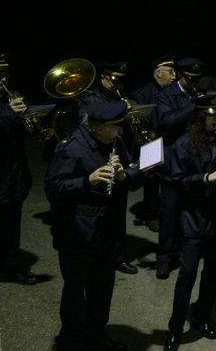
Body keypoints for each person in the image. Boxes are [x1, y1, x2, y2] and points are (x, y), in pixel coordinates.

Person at [45, 101, 145, 351]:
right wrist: (87, 181)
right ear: (99, 128)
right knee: (76, 293)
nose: (120, 131)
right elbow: (54, 189)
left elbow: (134, 171)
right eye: (115, 128)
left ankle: (96, 334)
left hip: (107, 230)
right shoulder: (71, 148)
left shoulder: (114, 142)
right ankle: (72, 341)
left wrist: (124, 176)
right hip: (77, 232)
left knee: (103, 290)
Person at [163, 94, 216, 351]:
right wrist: (207, 177)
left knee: (213, 273)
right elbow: (180, 182)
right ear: (199, 116)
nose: (214, 120)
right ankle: (175, 328)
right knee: (188, 274)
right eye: (209, 115)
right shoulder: (183, 145)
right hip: (195, 217)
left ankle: (202, 316)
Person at [78, 62, 138, 275]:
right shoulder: (89, 98)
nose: (118, 85)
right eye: (115, 81)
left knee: (118, 213)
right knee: (98, 214)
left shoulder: (122, 97)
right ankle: (96, 256)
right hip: (96, 156)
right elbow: (84, 124)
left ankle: (119, 256)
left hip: (118, 152)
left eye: (121, 81)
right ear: (103, 77)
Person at [0, 54, 36, 285]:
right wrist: (8, 114)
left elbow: (26, 132)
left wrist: (34, 120)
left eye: (6, 75)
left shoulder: (14, 97)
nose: (3, 79)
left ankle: (10, 268)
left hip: (13, 172)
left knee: (11, 226)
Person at [154, 57, 207, 278]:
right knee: (170, 212)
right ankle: (165, 258)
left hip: (194, 160)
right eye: (189, 79)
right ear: (180, 75)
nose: (193, 83)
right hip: (172, 162)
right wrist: (193, 106)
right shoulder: (166, 95)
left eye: (197, 79)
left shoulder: (199, 93)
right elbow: (166, 123)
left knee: (191, 209)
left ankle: (188, 251)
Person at [130, 54, 177, 232]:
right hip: (150, 141)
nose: (174, 75)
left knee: (170, 178)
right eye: (170, 72)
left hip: (169, 141)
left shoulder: (174, 92)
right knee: (151, 180)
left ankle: (168, 211)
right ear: (159, 74)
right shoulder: (141, 93)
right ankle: (151, 214)